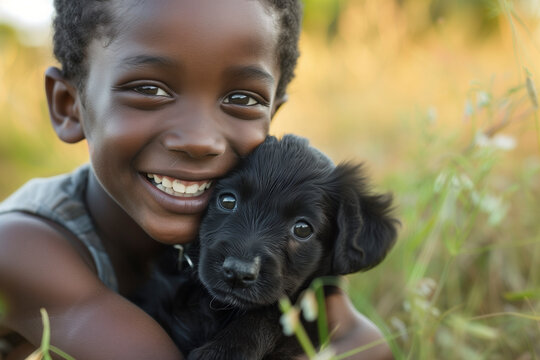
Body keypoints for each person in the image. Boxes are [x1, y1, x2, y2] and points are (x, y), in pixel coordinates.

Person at [0, 1, 393, 359]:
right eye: (148, 89)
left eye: (241, 99)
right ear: (70, 106)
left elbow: (366, 346)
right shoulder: (18, 248)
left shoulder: (234, 225)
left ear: (271, 115)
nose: (199, 140)